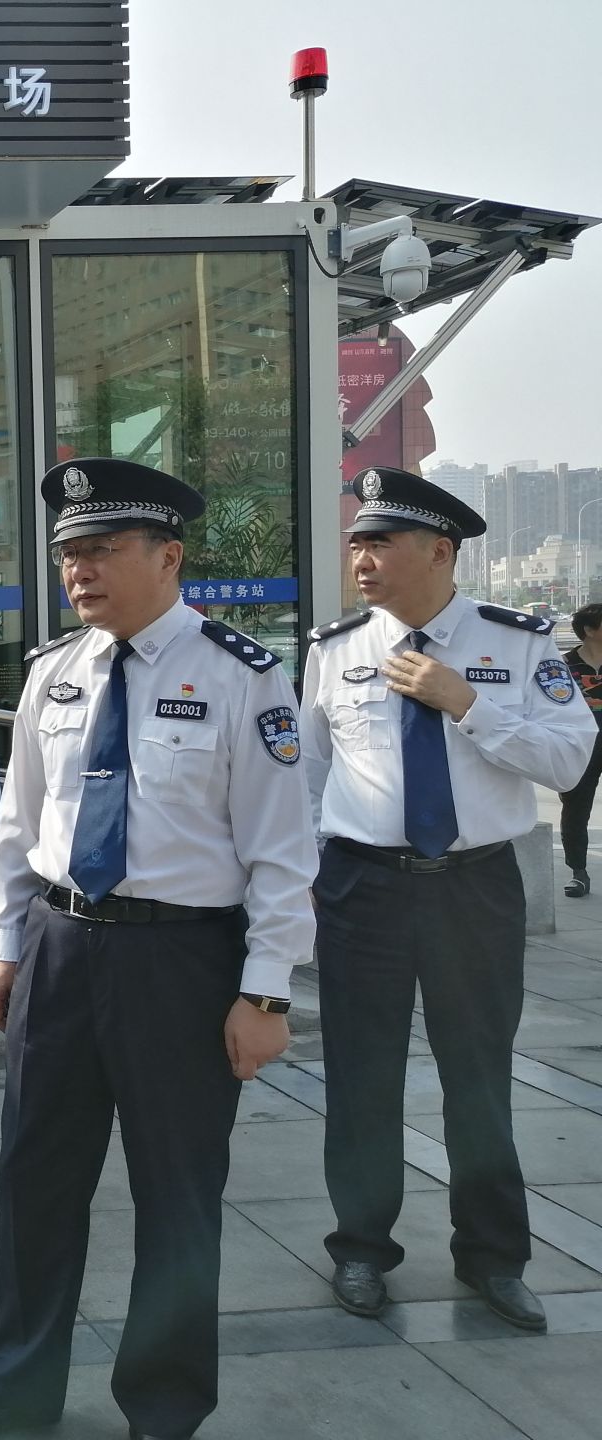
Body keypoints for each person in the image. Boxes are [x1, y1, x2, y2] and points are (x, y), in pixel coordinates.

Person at [0, 458, 315, 1440]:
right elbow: (17, 829)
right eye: (70, 553)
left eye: (102, 550)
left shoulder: (241, 676)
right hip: (60, 951)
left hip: (181, 963)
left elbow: (281, 854)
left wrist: (265, 994)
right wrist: (9, 949)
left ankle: (164, 1406)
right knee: (36, 1181)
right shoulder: (54, 673)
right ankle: (15, 1392)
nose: (80, 570)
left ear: (168, 556)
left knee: (177, 1196)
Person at [301, 466, 593, 1333]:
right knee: (361, 1079)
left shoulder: (519, 643)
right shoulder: (334, 649)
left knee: (479, 1080)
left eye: (380, 542)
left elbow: (569, 761)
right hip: (362, 887)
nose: (361, 558)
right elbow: (307, 777)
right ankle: (361, 1249)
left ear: (440, 551)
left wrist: (468, 704)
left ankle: (494, 1258)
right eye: (356, 542)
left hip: (474, 889)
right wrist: (303, 883)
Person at [557, 602, 602, 896]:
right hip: (581, 746)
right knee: (575, 809)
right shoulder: (563, 665)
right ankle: (578, 873)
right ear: (589, 630)